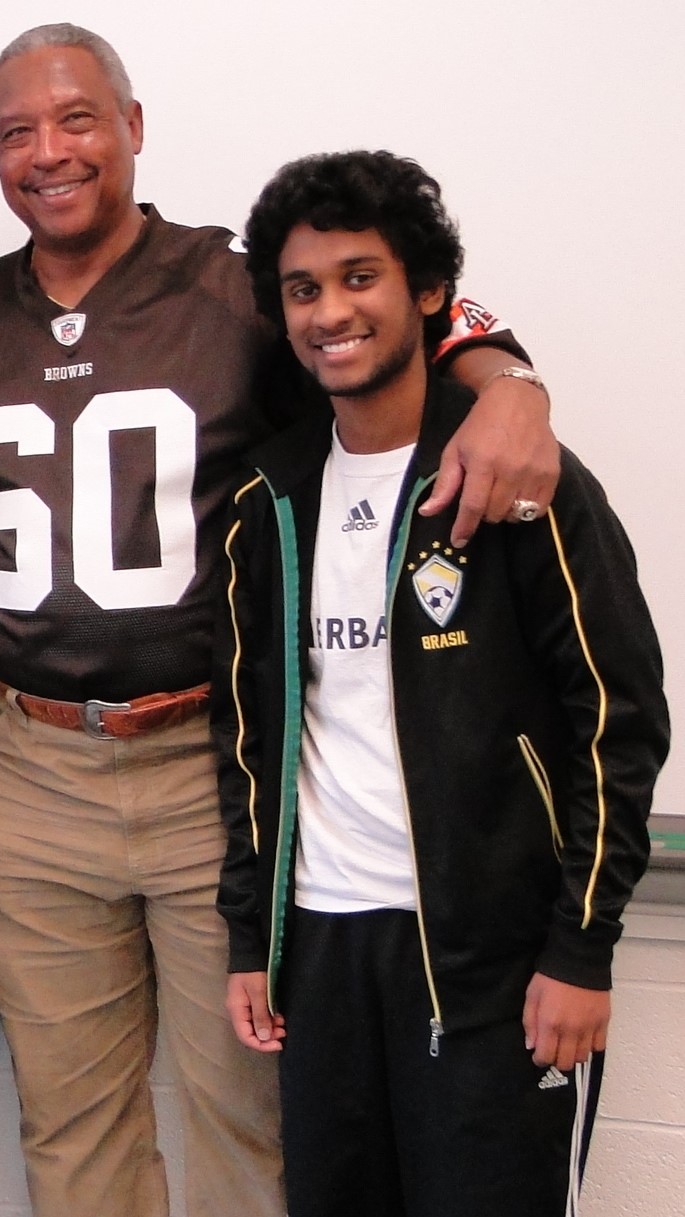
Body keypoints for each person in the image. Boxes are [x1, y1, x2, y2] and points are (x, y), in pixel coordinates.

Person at [0, 23, 560, 1217]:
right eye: (14, 131)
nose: (47, 151)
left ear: (133, 126)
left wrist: (512, 383)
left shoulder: (235, 280)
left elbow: (399, 323)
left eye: (76, 118)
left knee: (245, 1104)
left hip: (203, 761)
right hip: (22, 765)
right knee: (70, 1120)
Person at [217, 148, 668, 1216]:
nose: (332, 310)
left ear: (429, 292)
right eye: (304, 288)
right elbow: (248, 740)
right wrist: (251, 937)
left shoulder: (520, 482)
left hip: (491, 961)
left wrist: (580, 946)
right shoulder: (266, 501)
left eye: (361, 277)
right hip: (320, 954)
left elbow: (619, 718)